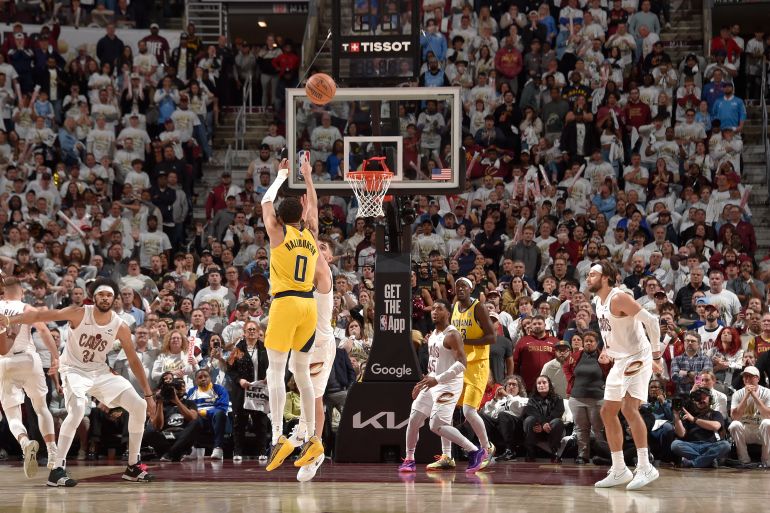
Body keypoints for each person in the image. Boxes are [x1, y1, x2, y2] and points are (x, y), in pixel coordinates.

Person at [2, 278, 155, 486]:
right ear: (93, 297)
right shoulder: (80, 313)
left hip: (99, 372)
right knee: (77, 409)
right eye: (101, 294)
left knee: (139, 405)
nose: (105, 298)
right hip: (73, 370)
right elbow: (42, 315)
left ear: (114, 299)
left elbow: (134, 360)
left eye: (109, 295)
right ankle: (57, 470)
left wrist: (148, 393)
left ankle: (133, 466)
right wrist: (11, 320)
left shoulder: (120, 326)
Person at [261, 157, 323, 472]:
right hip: (308, 306)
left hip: (285, 303)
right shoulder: (310, 234)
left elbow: (265, 200)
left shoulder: (277, 233)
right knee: (302, 374)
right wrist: (307, 177)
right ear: (300, 215)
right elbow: (312, 208)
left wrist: (281, 175)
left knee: (275, 370)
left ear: (279, 218)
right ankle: (312, 437)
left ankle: (276, 437)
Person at [588, 260, 662, 490]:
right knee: (607, 412)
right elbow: (609, 330)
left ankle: (645, 467)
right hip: (620, 359)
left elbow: (651, 321)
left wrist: (657, 356)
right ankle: (619, 469)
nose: (588, 278)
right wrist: (605, 350)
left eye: (593, 274)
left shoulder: (619, 297)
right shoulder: (596, 301)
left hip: (638, 355)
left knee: (629, 408)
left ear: (606, 277)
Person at [399, 299, 489, 473]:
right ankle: (410, 459)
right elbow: (434, 365)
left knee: (436, 425)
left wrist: (437, 379)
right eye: (432, 309)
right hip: (433, 382)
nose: (434, 312)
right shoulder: (433, 334)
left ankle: (475, 451)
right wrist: (423, 382)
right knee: (414, 419)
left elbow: (462, 364)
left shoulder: (452, 335)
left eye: (439, 309)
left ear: (448, 313)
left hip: (448, 385)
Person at [284, 183, 336, 482]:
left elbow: (311, 230)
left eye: (324, 249)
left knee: (314, 398)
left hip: (318, 342)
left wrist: (303, 219)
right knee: (308, 395)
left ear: (328, 257)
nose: (319, 247)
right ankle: (308, 438)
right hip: (301, 341)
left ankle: (312, 448)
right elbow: (311, 227)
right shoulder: (304, 266)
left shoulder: (324, 275)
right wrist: (307, 178)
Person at [0, 276, 59, 478]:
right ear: (22, 291)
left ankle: (26, 443)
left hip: (4, 362)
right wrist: (55, 358)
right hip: (28, 359)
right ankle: (52, 453)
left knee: (12, 414)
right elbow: (43, 330)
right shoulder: (27, 308)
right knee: (41, 407)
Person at [445, 276, 496, 470]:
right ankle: (447, 456)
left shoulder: (479, 308)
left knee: (468, 410)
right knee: (446, 409)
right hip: (460, 364)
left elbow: (492, 337)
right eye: (457, 286)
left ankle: (486, 447)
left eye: (464, 286)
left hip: (478, 365)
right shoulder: (455, 307)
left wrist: (465, 343)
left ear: (471, 288)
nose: (460, 289)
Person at [670, 387, 731, 468]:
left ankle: (693, 463)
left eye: (704, 397)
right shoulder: (687, 414)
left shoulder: (715, 414)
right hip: (691, 446)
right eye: (698, 398)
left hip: (710, 446)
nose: (700, 400)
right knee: (675, 444)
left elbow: (716, 426)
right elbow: (681, 434)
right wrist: (677, 417)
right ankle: (708, 460)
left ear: (710, 400)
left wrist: (694, 419)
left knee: (726, 445)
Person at [728, 366, 770, 467]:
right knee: (734, 425)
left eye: (750, 377)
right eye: (745, 377)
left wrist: (754, 395)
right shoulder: (737, 394)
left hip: (761, 431)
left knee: (767, 423)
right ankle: (744, 460)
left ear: (758, 379)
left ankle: (766, 461)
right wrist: (746, 396)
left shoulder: (767, 393)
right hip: (745, 431)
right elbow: (735, 417)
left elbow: (767, 415)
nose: (747, 379)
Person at [522, 375, 565, 462]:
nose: (541, 385)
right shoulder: (531, 400)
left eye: (544, 382)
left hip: (551, 429)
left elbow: (557, 414)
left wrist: (544, 424)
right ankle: (530, 452)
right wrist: (542, 425)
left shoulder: (558, 399)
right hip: (536, 429)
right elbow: (533, 413)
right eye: (539, 383)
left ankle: (555, 453)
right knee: (529, 420)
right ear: (536, 386)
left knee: (557, 421)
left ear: (549, 384)